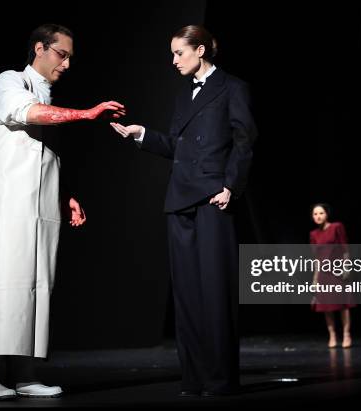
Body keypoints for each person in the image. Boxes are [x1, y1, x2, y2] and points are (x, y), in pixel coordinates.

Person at [0, 23, 125, 400]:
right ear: (39, 48)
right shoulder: (10, 82)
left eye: (71, 57)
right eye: (62, 54)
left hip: (41, 206)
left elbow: (43, 154)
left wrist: (66, 193)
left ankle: (25, 372)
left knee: (37, 286)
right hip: (8, 203)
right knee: (3, 283)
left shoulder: (47, 94)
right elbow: (28, 114)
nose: (67, 64)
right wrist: (87, 114)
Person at [110, 25, 257, 396]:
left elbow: (245, 140)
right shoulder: (183, 97)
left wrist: (231, 186)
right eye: (173, 54)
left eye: (179, 53)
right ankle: (195, 378)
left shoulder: (233, 88)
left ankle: (221, 380)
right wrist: (142, 135)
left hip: (212, 198)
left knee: (216, 292)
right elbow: (180, 147)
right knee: (188, 295)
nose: (173, 61)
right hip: (180, 200)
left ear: (201, 50)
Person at [309, 203, 356, 348]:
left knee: (343, 304)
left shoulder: (336, 227)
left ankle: (347, 334)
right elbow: (316, 258)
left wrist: (346, 268)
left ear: (327, 214)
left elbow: (345, 248)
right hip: (323, 274)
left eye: (321, 213)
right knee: (326, 306)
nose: (318, 216)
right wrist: (315, 279)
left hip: (337, 271)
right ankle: (332, 335)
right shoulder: (313, 234)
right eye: (315, 214)